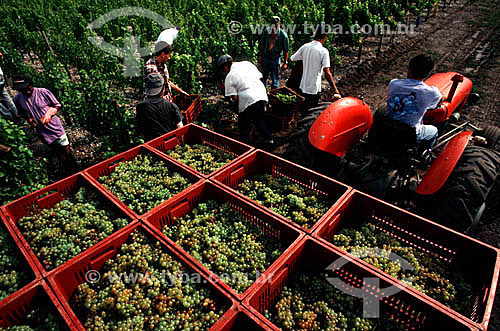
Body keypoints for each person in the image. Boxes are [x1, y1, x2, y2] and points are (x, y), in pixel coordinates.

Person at [12, 74, 78, 172]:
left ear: (31, 84)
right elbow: (22, 113)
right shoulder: (18, 99)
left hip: (54, 127)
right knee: (57, 152)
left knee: (66, 150)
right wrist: (29, 119)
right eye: (21, 90)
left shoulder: (43, 92)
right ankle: (68, 171)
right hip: (42, 130)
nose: (26, 91)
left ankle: (76, 169)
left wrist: (48, 114)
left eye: (27, 88)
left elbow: (57, 105)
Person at [385, 54, 442, 149]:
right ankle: (424, 154)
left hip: (388, 126)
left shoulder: (394, 84)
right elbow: (436, 103)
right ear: (428, 73)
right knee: (434, 130)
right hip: (410, 133)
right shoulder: (432, 92)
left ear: (409, 69)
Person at [218, 54, 273, 145]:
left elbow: (235, 98)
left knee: (243, 124)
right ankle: (269, 139)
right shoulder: (246, 64)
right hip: (261, 94)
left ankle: (244, 145)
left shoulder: (229, 76)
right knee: (259, 119)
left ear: (225, 66)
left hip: (248, 99)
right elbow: (260, 76)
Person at [290, 30, 341, 111]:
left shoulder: (305, 46)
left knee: (303, 109)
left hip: (303, 85)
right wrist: (335, 88)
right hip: (313, 88)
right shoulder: (323, 51)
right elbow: (327, 72)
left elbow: (292, 58)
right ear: (324, 37)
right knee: (311, 111)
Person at [136, 73, 183, 141]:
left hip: (151, 147)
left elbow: (141, 131)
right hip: (171, 145)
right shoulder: (171, 106)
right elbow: (180, 130)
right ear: (163, 89)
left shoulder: (140, 107)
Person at [258, 16, 289, 90]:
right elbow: (262, 44)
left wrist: (285, 62)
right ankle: (263, 94)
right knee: (263, 78)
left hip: (275, 59)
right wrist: (260, 56)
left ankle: (274, 96)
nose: (274, 27)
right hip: (266, 57)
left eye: (276, 25)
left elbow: (286, 50)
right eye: (273, 25)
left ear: (279, 24)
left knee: (275, 80)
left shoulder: (283, 36)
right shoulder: (266, 32)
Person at [0, 52, 19, 120]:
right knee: (7, 99)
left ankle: (10, 117)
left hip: (1, 82)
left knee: (6, 100)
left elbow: (0, 55)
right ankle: (16, 115)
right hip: (1, 82)